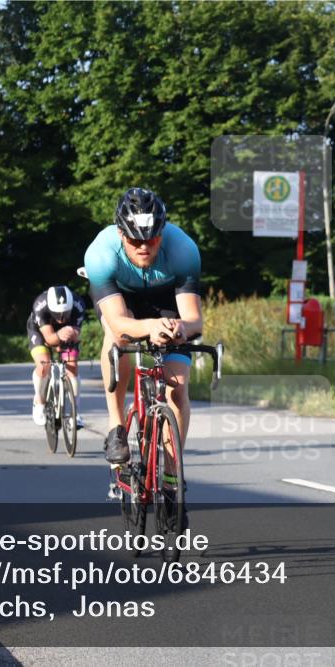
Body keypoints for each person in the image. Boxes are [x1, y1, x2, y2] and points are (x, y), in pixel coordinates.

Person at [83, 187, 202, 529]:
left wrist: (180, 328)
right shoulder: (101, 255)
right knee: (117, 340)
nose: (144, 247)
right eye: (135, 240)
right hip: (123, 301)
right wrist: (148, 326)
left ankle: (169, 478)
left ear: (162, 232)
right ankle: (117, 427)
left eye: (152, 239)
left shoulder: (184, 251)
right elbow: (120, 325)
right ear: (121, 233)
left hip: (166, 300)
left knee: (177, 386)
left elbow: (195, 320)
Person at [27, 285, 87, 429]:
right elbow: (49, 339)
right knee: (44, 365)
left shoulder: (78, 305)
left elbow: (76, 333)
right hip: (40, 331)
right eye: (58, 314)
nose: (61, 318)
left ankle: (74, 412)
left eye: (65, 314)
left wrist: (71, 335)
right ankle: (39, 401)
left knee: (72, 366)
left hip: (67, 331)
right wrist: (58, 337)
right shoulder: (40, 305)